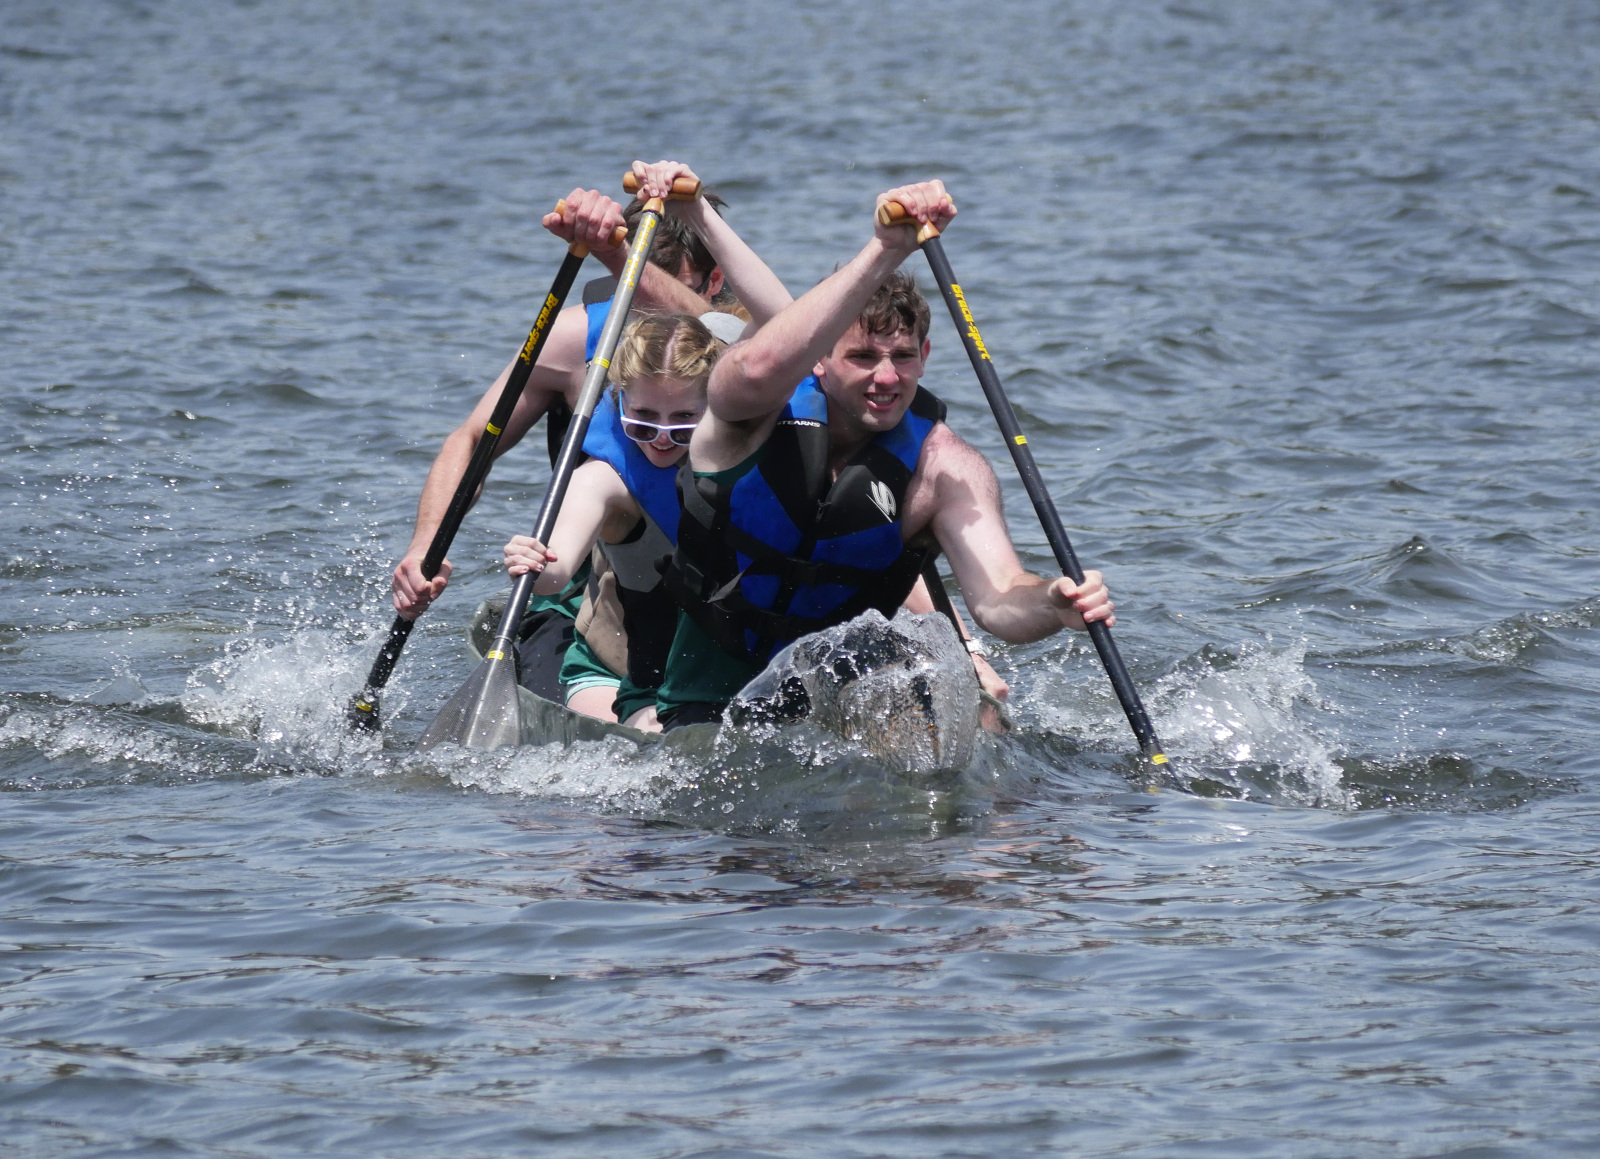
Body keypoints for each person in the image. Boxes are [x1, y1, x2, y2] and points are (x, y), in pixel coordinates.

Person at [656, 180, 1113, 729]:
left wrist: (1054, 604)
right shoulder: (750, 413)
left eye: (902, 355)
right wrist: (886, 248)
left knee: (981, 725)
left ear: (924, 355)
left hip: (838, 702)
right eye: (864, 356)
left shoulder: (945, 467)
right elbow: (756, 366)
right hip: (706, 704)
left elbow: (999, 599)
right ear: (819, 358)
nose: (888, 377)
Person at [388, 165, 742, 701]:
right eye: (632, 289)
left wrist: (617, 256)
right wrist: (422, 551)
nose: (644, 318)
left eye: (662, 293)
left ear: (713, 283)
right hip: (592, 577)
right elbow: (470, 444)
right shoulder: (574, 339)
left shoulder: (742, 346)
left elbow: (726, 340)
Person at [498, 161, 795, 729]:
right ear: (618, 401)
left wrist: (697, 211)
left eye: (684, 418)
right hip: (635, 675)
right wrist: (534, 565)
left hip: (737, 666)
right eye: (643, 418)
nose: (661, 437)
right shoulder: (604, 473)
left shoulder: (740, 402)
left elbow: (783, 320)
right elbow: (558, 564)